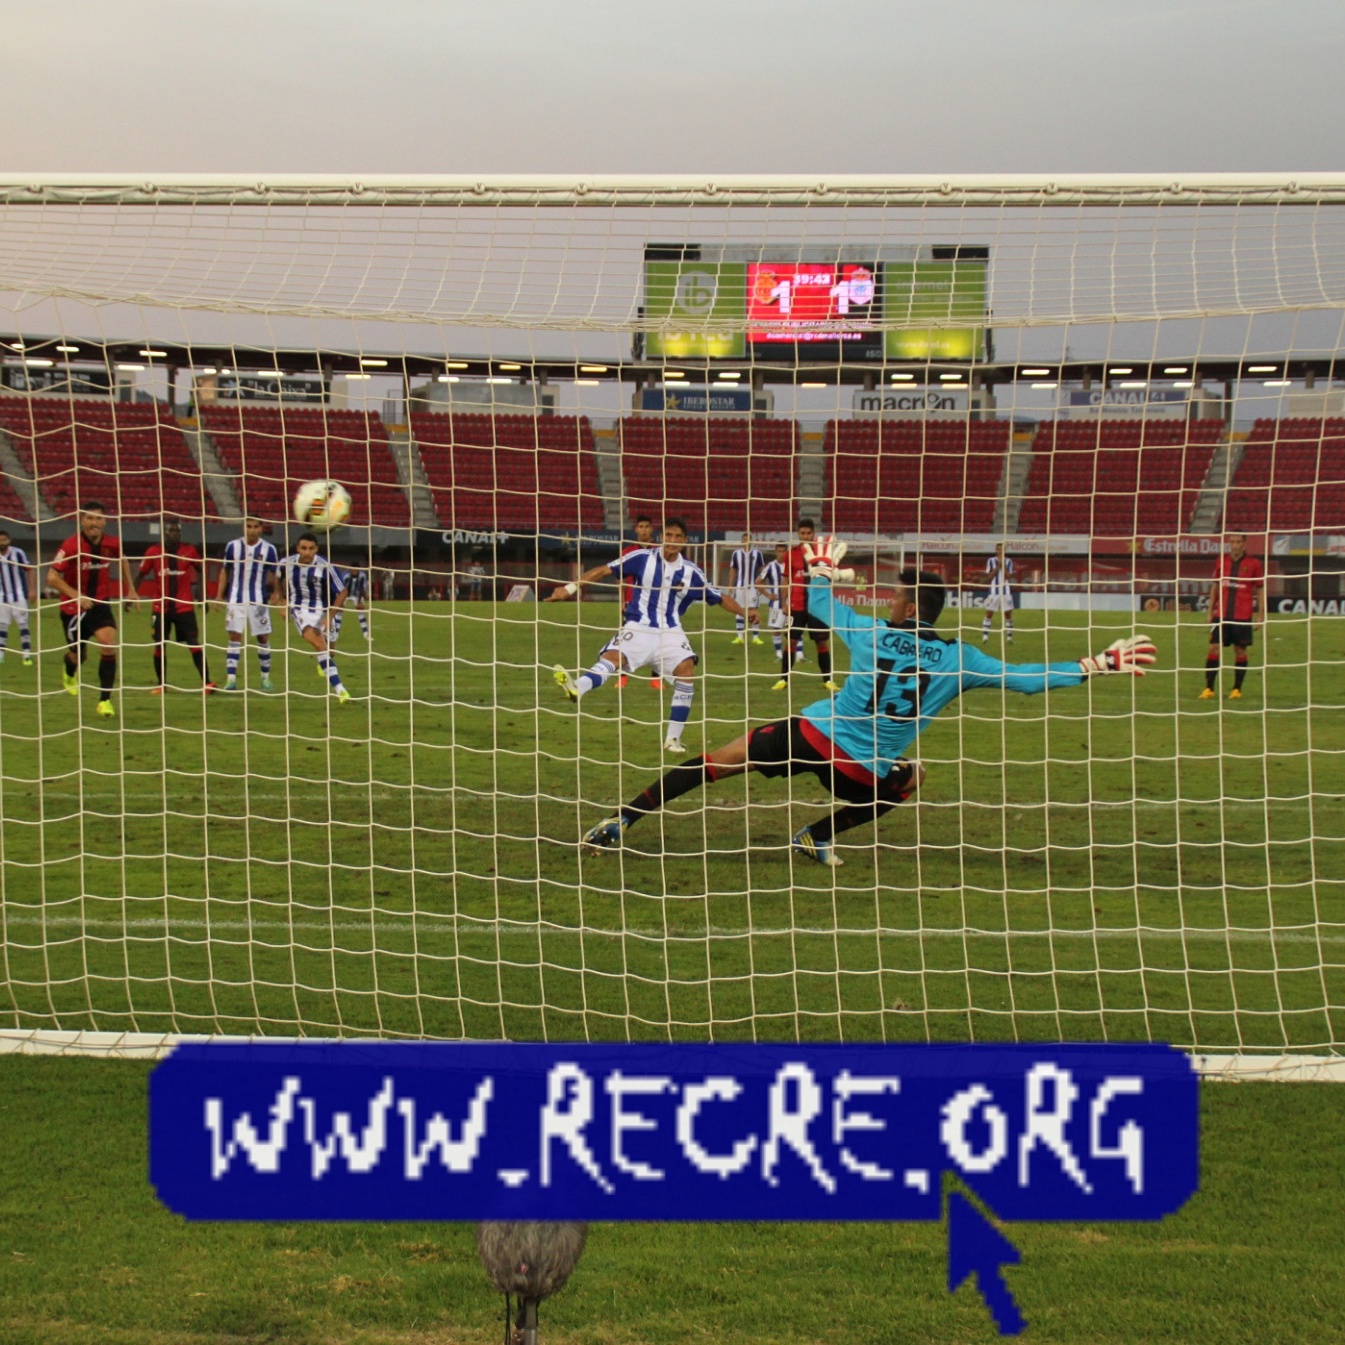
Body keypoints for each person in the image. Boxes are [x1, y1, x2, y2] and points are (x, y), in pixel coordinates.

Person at [580, 540, 1156, 865]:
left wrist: (820, 571)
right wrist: (1093, 665)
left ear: (910, 607)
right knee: (913, 776)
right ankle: (818, 835)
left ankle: (621, 820)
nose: (892, 600)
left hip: (809, 734)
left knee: (715, 762)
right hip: (859, 771)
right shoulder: (960, 659)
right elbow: (1026, 679)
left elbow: (819, 606)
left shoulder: (873, 632)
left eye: (898, 595)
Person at [547, 517, 749, 754]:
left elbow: (719, 597)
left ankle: (672, 739)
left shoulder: (692, 572)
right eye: (669, 535)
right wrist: (568, 589)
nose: (672, 541)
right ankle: (577, 687)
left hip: (671, 632)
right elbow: (603, 570)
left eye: (678, 537)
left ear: (685, 541)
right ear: (661, 537)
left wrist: (745, 613)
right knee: (613, 658)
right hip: (639, 627)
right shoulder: (642, 558)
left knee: (687, 671)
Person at [46, 501, 138, 718]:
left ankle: (104, 701)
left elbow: (123, 560)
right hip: (73, 608)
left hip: (100, 604)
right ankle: (70, 672)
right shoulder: (70, 546)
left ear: (105, 522)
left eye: (98, 518)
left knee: (108, 645)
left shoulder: (112, 543)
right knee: (78, 656)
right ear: (82, 520)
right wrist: (76, 595)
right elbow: (51, 577)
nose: (94, 523)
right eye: (89, 518)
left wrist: (131, 589)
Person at [138, 520, 215, 693]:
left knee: (193, 642)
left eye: (177, 531)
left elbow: (202, 569)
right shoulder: (153, 551)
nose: (174, 534)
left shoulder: (189, 551)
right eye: (170, 530)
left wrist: (202, 594)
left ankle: (207, 683)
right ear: (164, 533)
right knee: (159, 644)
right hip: (160, 607)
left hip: (184, 607)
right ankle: (161, 685)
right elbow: (141, 574)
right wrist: (131, 595)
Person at [281, 533, 351, 702]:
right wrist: (282, 600)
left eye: (311, 549)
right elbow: (277, 577)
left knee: (329, 650)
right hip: (300, 610)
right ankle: (340, 690)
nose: (307, 552)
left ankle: (324, 662)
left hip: (323, 609)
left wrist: (330, 615)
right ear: (297, 548)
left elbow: (343, 592)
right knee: (319, 644)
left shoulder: (325, 565)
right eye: (303, 548)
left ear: (316, 549)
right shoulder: (286, 563)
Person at [217, 515, 280, 691]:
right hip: (235, 599)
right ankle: (231, 680)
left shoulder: (269, 549)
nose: (252, 530)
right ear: (244, 528)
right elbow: (225, 571)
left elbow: (275, 573)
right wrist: (219, 595)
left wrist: (277, 593)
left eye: (255, 527)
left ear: (261, 528)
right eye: (249, 526)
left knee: (263, 637)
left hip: (258, 600)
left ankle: (265, 678)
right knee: (234, 636)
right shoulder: (232, 546)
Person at [774, 518, 836, 692]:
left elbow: (829, 577)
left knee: (822, 643)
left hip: (817, 606)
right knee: (791, 641)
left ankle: (828, 680)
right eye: (802, 533)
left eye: (808, 533)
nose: (805, 536)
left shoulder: (821, 554)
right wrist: (783, 603)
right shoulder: (791, 554)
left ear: (813, 534)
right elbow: (785, 580)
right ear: (798, 534)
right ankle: (783, 679)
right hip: (797, 605)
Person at [1202, 532, 1264, 701]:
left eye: (1238, 542)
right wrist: (1210, 611)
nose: (1235, 545)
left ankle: (1237, 689)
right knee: (1213, 647)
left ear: (1244, 543)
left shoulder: (1254, 563)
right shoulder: (1221, 561)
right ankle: (1209, 688)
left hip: (1242, 616)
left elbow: (1260, 589)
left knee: (1240, 650)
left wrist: (1261, 615)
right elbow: (1215, 586)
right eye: (1232, 542)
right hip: (1221, 614)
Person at [617, 515, 659, 691]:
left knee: (658, 641)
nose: (644, 530)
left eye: (646, 526)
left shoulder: (659, 550)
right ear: (636, 529)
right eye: (640, 526)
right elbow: (620, 578)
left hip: (655, 603)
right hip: (632, 602)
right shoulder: (627, 551)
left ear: (651, 529)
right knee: (626, 640)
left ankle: (656, 679)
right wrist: (622, 601)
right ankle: (622, 677)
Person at [0, 529, 35, 665]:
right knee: (2, 626)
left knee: (23, 624)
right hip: (2, 596)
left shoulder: (18, 553)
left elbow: (30, 570)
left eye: (4, 540)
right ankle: (1, 655)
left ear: (9, 541)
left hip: (19, 596)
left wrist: (32, 590)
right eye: (0, 540)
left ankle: (26, 655)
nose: (2, 542)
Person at [728, 533, 766, 645]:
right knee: (739, 609)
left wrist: (761, 583)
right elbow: (733, 570)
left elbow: (762, 569)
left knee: (753, 609)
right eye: (744, 539)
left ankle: (755, 637)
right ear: (742, 541)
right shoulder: (736, 554)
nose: (746, 541)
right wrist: (730, 585)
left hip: (753, 587)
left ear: (751, 541)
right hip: (740, 587)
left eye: (748, 539)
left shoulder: (757, 553)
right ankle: (740, 636)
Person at [330, 565, 372, 646]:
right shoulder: (345, 576)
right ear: (350, 570)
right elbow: (341, 590)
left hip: (356, 595)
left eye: (356, 569)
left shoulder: (362, 575)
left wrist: (359, 602)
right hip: (345, 595)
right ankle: (336, 634)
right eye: (353, 569)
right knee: (338, 613)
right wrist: (341, 602)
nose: (354, 571)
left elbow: (362, 589)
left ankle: (366, 634)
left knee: (361, 612)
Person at [982, 542, 1015, 642]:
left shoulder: (1009, 561)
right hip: (994, 591)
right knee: (989, 613)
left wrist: (1003, 566)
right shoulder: (991, 561)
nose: (1000, 551)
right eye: (998, 549)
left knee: (1008, 614)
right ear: (996, 550)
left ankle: (1009, 637)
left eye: (1001, 549)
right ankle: (985, 636)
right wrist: (997, 567)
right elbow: (989, 576)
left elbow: (1009, 576)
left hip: (1006, 591)